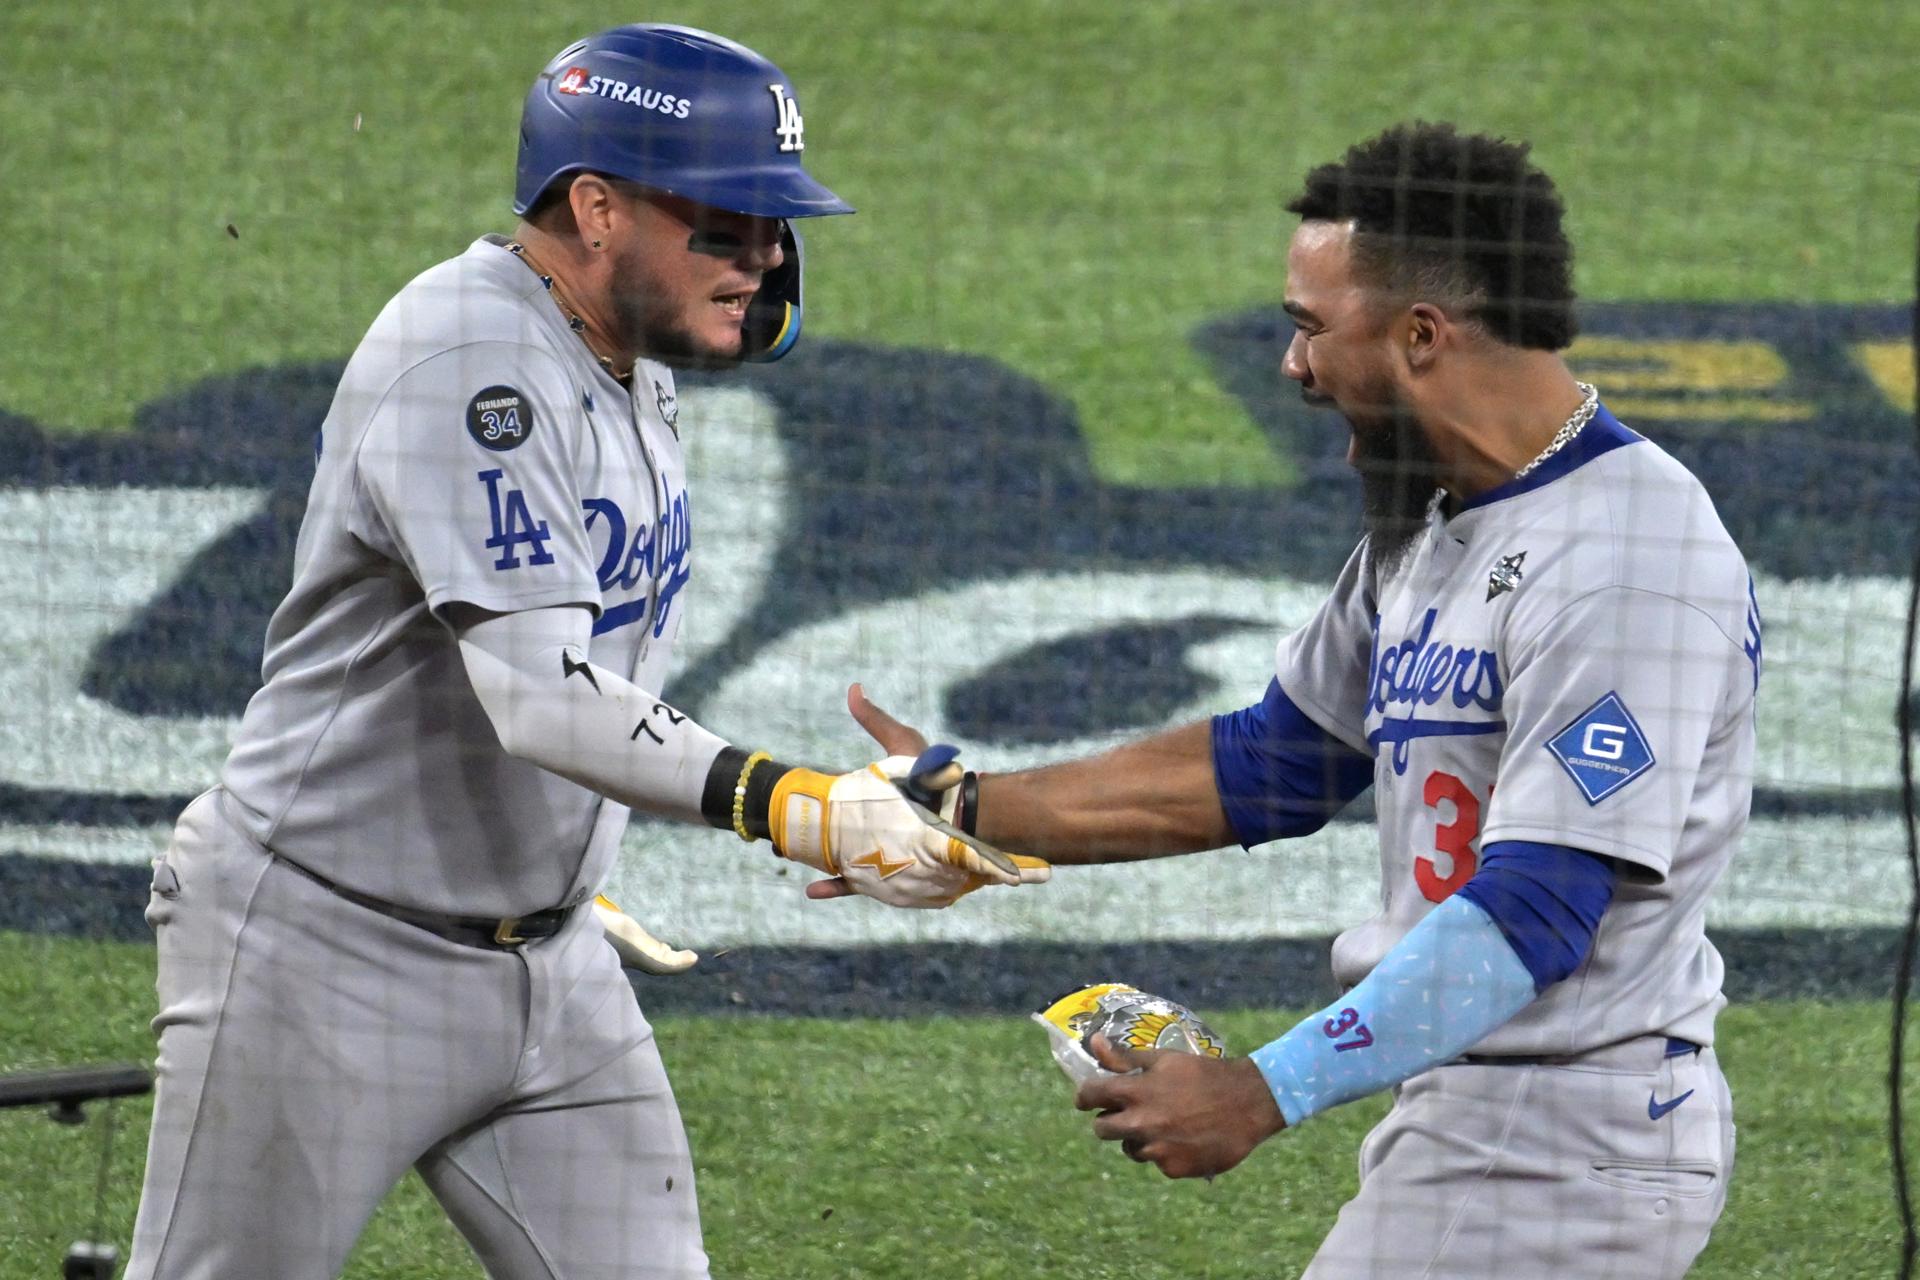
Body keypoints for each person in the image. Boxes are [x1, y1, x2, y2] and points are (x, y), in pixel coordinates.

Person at [124, 24, 1043, 1280]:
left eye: (775, 224)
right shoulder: (472, 365)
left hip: (551, 967)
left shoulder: (620, 342)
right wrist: (806, 807)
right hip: (326, 956)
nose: (770, 255)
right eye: (727, 221)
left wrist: (546, 857)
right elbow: (543, 700)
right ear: (597, 209)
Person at [831, 122, 1756, 1277]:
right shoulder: (1442, 518)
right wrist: (965, 807)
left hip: (1567, 1143)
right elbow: (1275, 761)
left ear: (1421, 335)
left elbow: (1540, 907)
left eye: (1312, 327)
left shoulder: (1626, 558)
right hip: (1485, 1113)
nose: (1292, 366)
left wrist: (1263, 1089)